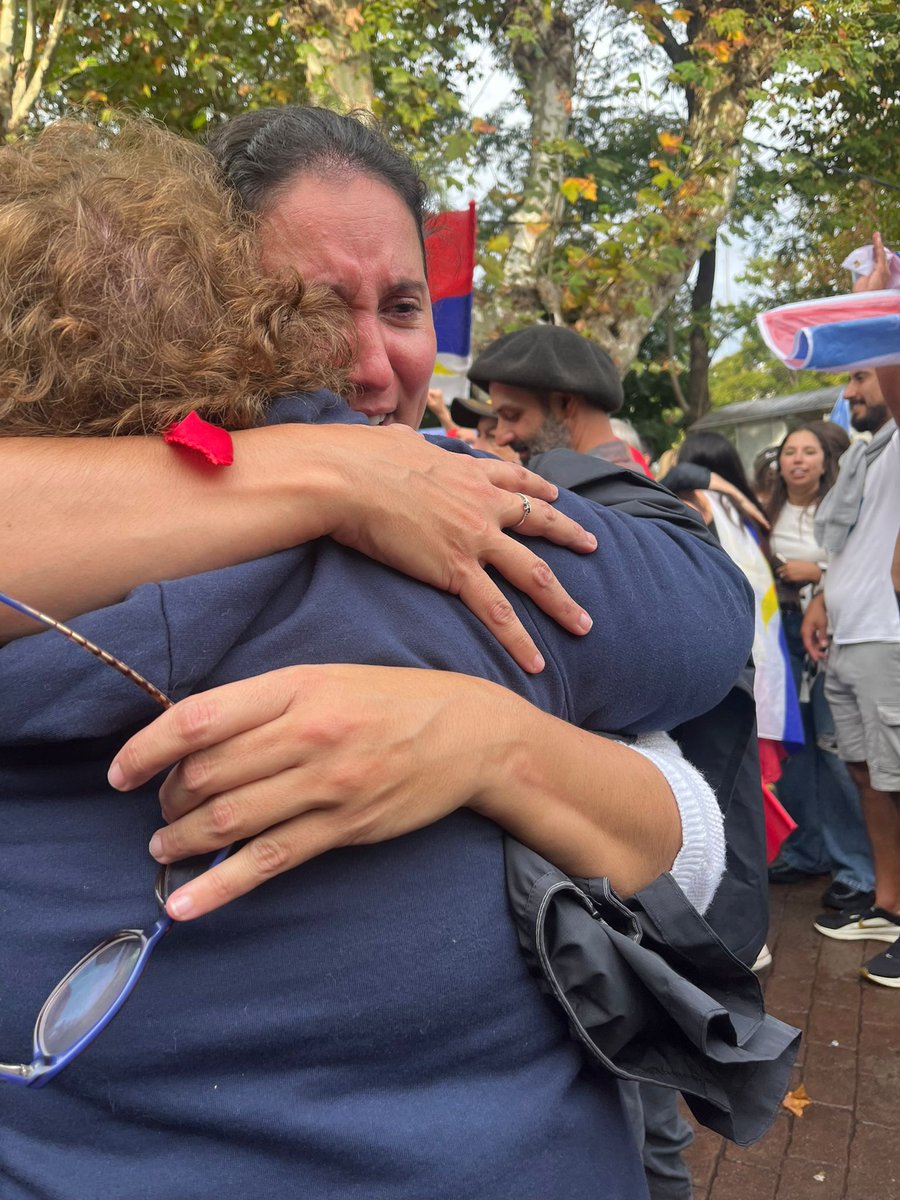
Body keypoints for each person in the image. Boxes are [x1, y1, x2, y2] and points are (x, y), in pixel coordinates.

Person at [0, 117, 753, 1197]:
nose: (369, 363)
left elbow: (701, 650)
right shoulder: (437, 552)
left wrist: (487, 741)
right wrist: (328, 471)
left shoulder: (465, 513)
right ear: (225, 306)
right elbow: (706, 618)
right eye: (310, 312)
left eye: (403, 306)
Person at [467, 354, 768, 1200]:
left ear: (565, 408)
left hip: (644, 882)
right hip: (608, 886)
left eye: (512, 417)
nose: (499, 436)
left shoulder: (621, 504)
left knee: (646, 1103)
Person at [803, 362, 900, 987]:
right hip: (850, 631)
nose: (850, 392)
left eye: (862, 375)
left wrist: (878, 307)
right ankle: (888, 904)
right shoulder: (873, 453)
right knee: (867, 775)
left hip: (888, 638)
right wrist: (822, 594)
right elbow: (855, 540)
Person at [765, 423, 876, 910]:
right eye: (790, 451)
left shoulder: (839, 508)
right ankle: (805, 850)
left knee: (835, 752)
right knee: (794, 747)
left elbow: (866, 562)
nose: (799, 460)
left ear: (824, 462)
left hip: (828, 634)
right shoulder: (765, 510)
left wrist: (819, 574)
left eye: (809, 451)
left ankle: (855, 866)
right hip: (778, 636)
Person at [468, 323, 651, 473]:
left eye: (511, 415)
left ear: (564, 403)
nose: (500, 437)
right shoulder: (604, 488)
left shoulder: (609, 502)